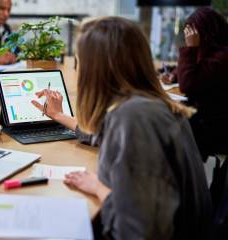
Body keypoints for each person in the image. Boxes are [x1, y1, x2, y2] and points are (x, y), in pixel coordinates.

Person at [31, 17, 212, 239]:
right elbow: (104, 133)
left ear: (94, 70)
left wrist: (100, 189)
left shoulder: (134, 118)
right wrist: (58, 115)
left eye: (80, 62)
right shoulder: (145, 105)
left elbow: (138, 232)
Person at [176, 7, 228, 161]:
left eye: (192, 32)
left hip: (215, 129)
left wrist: (191, 48)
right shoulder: (215, 53)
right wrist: (173, 74)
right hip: (207, 121)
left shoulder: (222, 58)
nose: (189, 37)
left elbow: (188, 85)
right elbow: (198, 70)